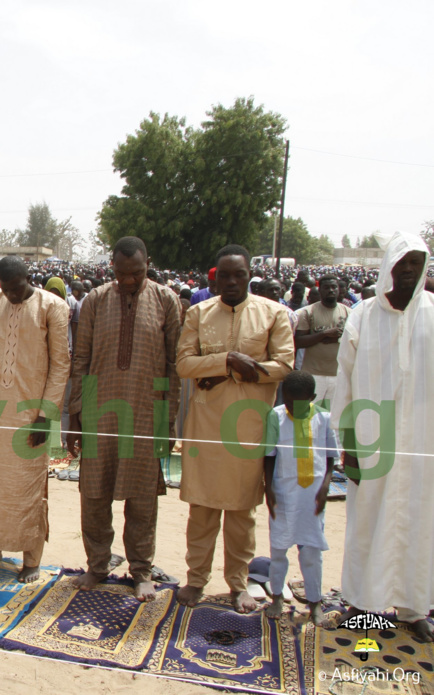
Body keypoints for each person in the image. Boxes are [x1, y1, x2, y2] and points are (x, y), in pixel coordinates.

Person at [175, 244, 294, 613]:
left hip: (249, 426)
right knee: (203, 509)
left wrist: (250, 369)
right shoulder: (198, 313)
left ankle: (238, 584)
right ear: (215, 277)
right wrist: (226, 361)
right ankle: (196, 579)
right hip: (207, 426)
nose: (230, 281)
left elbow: (285, 364)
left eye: (238, 275)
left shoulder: (273, 314)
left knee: (242, 513)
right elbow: (183, 364)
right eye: (223, 275)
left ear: (248, 276)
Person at [331, 232, 434, 642]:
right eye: (401, 262)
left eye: (415, 262)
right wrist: (349, 445)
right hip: (372, 440)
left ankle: (414, 606)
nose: (407, 269)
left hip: (424, 444)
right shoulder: (363, 315)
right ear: (388, 267)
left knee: (420, 522)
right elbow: (345, 381)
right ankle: (363, 604)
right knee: (368, 521)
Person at [65, 237, 181, 601]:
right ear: (111, 268)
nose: (129, 280)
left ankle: (141, 570)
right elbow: (80, 359)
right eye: (122, 273)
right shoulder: (96, 300)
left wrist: (169, 418)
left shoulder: (166, 300)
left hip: (147, 414)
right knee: (94, 494)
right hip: (100, 413)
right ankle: (97, 565)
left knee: (143, 498)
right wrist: (75, 414)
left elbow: (174, 364)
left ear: (148, 264)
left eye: (137, 273)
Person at [0, 257, 69, 582]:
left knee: (27, 486)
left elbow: (60, 365)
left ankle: (31, 560)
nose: (11, 295)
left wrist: (46, 415)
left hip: (31, 414)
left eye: (16, 289)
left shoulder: (51, 306)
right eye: (6, 289)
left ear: (29, 278)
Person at [263, 370, 337, 625]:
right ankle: (276, 598)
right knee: (279, 549)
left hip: (312, 496)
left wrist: (325, 487)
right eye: (289, 401)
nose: (293, 407)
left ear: (313, 397)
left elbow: (330, 458)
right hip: (283, 493)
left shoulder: (324, 419)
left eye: (300, 402)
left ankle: (315, 603)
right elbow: (269, 455)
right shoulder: (276, 416)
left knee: (311, 552)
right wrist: (268, 488)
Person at [293, 275, 350, 411]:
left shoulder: (349, 312)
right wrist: (323, 334)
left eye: (334, 287)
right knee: (309, 414)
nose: (331, 290)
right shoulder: (308, 312)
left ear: (339, 289)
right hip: (313, 374)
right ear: (320, 290)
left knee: (334, 417)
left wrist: (335, 338)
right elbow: (299, 342)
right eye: (326, 287)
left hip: (338, 374)